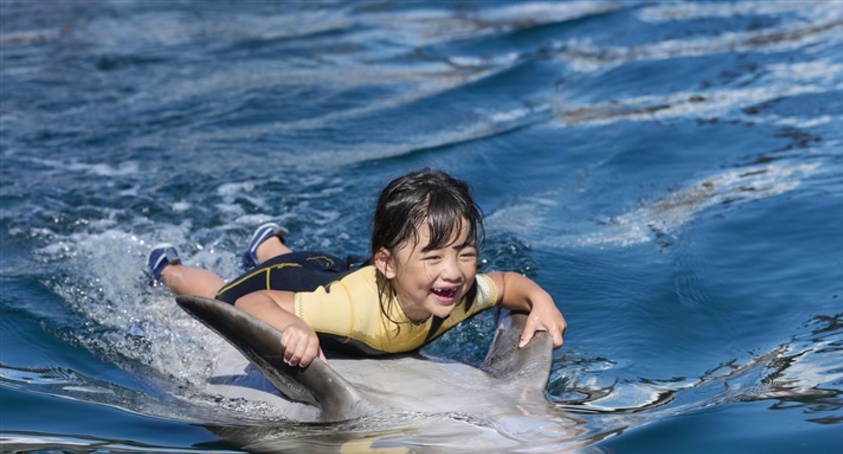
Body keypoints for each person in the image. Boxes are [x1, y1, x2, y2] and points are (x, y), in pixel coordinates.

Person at [147, 169, 566, 368]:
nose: (454, 272)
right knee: (220, 295)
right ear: (388, 261)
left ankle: (268, 244)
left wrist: (539, 300)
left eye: (466, 253)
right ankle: (171, 268)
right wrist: (294, 327)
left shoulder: (459, 292)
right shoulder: (352, 311)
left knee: (292, 268)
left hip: (338, 273)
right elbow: (259, 300)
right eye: (434, 256)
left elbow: (510, 283)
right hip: (298, 283)